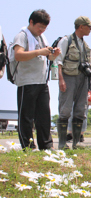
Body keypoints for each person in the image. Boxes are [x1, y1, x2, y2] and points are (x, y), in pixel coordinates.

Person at [13, 9, 61, 150]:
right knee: (26, 117)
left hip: (41, 81)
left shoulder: (42, 38)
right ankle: (28, 147)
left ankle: (46, 146)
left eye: (44, 28)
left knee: (44, 116)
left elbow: (48, 58)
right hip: (27, 81)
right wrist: (40, 51)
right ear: (31, 22)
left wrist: (53, 54)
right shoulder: (22, 36)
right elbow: (18, 55)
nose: (41, 30)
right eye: (39, 27)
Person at [56, 16, 91, 149]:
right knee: (65, 110)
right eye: (89, 26)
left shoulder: (85, 45)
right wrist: (61, 80)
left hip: (83, 80)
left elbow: (88, 63)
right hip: (68, 78)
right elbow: (58, 61)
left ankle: (76, 142)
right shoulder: (66, 41)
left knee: (81, 110)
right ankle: (62, 143)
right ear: (81, 26)